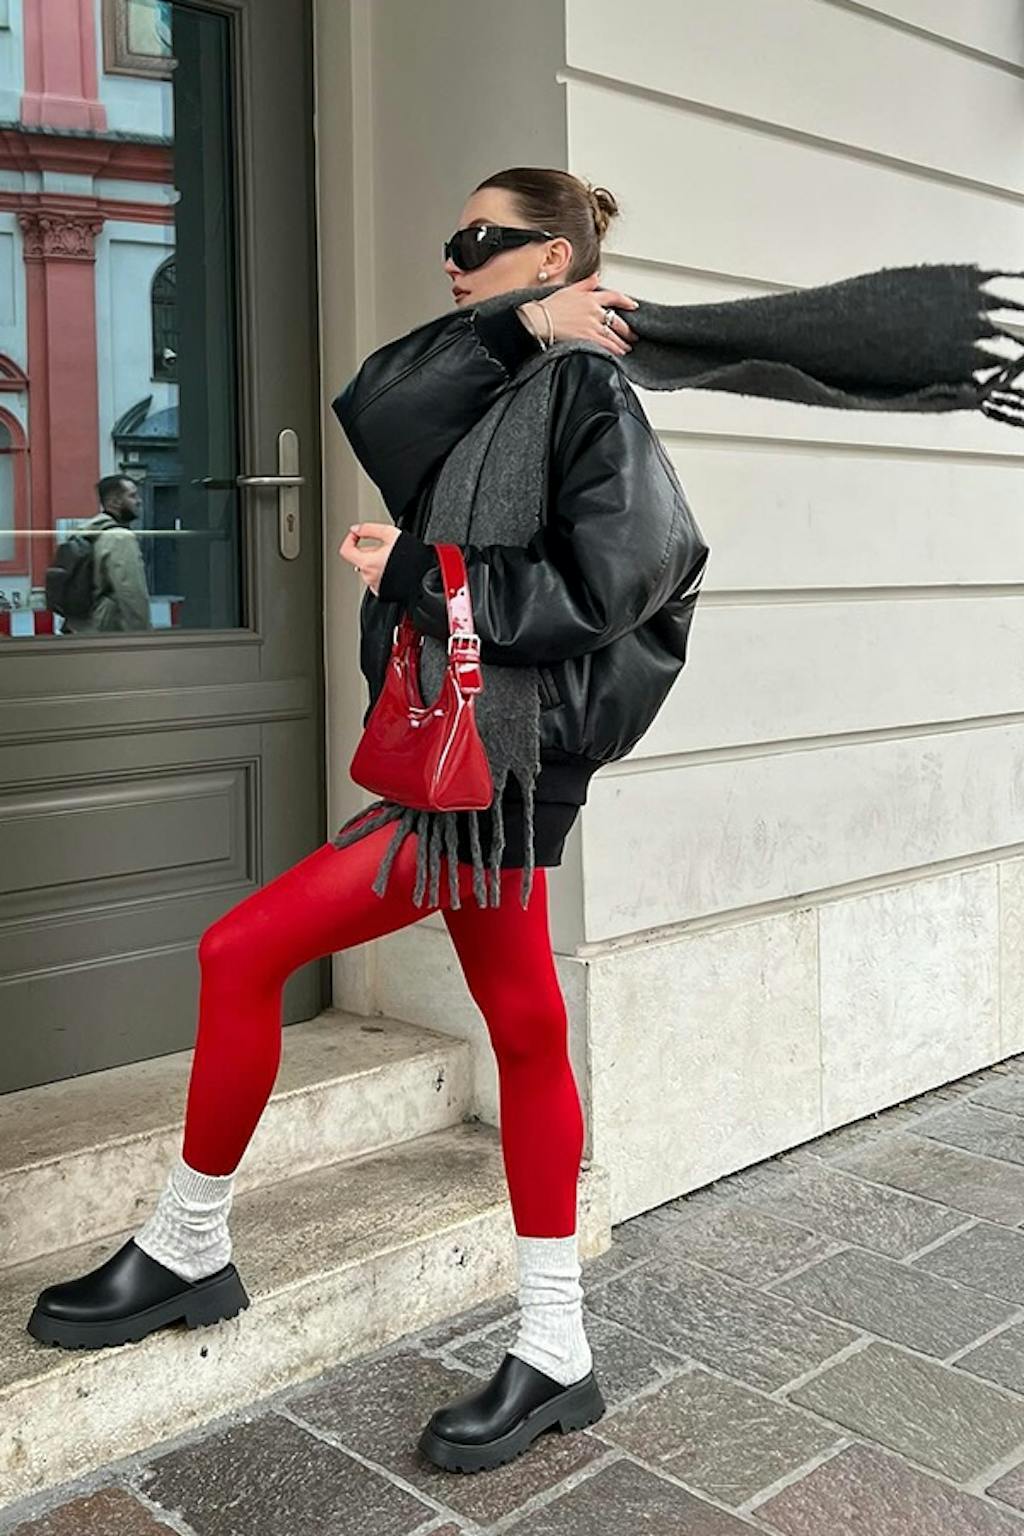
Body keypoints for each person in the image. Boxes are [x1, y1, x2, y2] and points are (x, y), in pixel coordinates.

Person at [26, 167, 708, 1475]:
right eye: (449, 236)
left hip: (495, 775)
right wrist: (518, 321)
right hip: (466, 770)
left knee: (239, 952)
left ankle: (189, 1244)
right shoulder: (500, 382)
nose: (452, 255)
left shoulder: (588, 396)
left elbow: (623, 576)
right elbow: (379, 400)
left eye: (480, 239)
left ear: (552, 253)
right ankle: (557, 1347)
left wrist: (426, 571)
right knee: (527, 1028)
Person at [60, 475, 152, 635]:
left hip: (82, 625)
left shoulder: (88, 533)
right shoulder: (120, 538)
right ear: (114, 502)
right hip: (108, 628)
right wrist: (143, 634)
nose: (139, 501)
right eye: (132, 496)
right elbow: (131, 593)